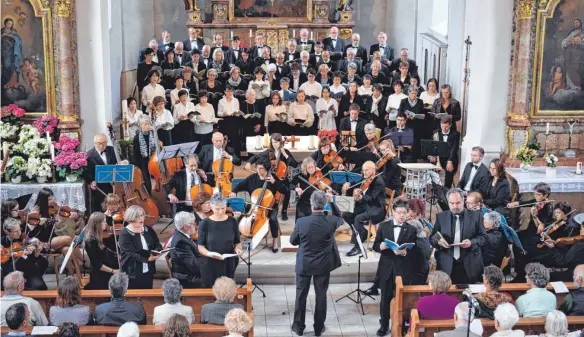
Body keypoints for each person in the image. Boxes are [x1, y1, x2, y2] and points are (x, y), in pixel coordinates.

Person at [290, 190, 342, 337]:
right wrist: (332, 201)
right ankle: (318, 328)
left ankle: (299, 327)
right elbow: (339, 217)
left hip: (304, 264)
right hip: (323, 265)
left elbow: (293, 241)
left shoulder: (301, 222)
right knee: (321, 296)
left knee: (301, 295)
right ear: (324, 204)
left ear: (311, 204)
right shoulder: (331, 221)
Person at [373, 199, 419, 336]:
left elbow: (414, 250)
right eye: (399, 213)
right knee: (385, 298)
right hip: (386, 267)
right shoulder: (384, 226)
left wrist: (405, 252)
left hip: (403, 268)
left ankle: (402, 324)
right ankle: (384, 325)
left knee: (402, 299)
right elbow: (375, 245)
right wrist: (381, 246)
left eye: (404, 213)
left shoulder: (411, 229)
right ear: (393, 212)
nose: (401, 216)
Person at [430, 188, 486, 284]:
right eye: (452, 203)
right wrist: (439, 241)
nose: (455, 206)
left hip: (469, 263)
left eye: (458, 203)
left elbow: (484, 238)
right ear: (448, 202)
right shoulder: (441, 217)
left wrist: (471, 242)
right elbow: (432, 238)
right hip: (446, 264)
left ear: (463, 201)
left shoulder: (477, 216)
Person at [236, 156, 287, 251]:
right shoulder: (252, 178)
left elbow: (285, 191)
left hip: (269, 206)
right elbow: (240, 185)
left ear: (267, 169)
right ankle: (237, 241)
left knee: (272, 218)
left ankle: (275, 240)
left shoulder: (273, 178)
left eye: (261, 168)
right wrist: (233, 191)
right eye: (257, 168)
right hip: (254, 205)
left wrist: (275, 182)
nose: (258, 170)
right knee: (240, 217)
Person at [197, 193, 243, 288]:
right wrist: (209, 253)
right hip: (210, 263)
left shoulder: (232, 221)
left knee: (226, 289)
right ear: (211, 206)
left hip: (228, 262)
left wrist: (238, 249)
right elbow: (200, 246)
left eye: (223, 208)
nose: (221, 211)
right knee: (211, 291)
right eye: (217, 209)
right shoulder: (204, 223)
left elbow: (237, 242)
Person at [342, 161, 386, 257]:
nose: (364, 172)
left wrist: (361, 197)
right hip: (365, 205)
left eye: (367, 170)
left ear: (373, 170)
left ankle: (358, 247)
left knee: (358, 218)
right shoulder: (365, 177)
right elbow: (358, 183)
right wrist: (349, 183)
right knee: (346, 214)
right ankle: (363, 232)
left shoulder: (379, 181)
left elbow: (372, 198)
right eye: (363, 170)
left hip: (376, 208)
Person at [118, 205, 162, 289]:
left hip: (148, 270)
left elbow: (157, 243)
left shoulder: (148, 229)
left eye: (142, 215)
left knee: (147, 297)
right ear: (131, 218)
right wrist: (147, 259)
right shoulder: (125, 233)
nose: (142, 218)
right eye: (138, 216)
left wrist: (157, 251)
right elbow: (130, 253)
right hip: (132, 272)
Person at [1, 218, 47, 290]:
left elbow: (33, 259)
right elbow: (3, 261)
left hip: (28, 270)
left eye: (19, 229)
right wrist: (20, 254)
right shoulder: (2, 242)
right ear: (7, 232)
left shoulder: (23, 240)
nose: (19, 233)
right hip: (10, 273)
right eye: (16, 231)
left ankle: (28, 284)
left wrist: (36, 252)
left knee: (40, 287)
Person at [83, 212, 119, 290]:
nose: (105, 223)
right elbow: (96, 264)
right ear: (97, 224)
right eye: (103, 222)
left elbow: (107, 252)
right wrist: (113, 271)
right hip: (99, 277)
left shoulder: (99, 238)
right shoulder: (90, 241)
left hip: (106, 273)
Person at [86, 133, 120, 212]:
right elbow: (88, 173)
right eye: (99, 144)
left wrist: (125, 161)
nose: (101, 146)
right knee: (102, 207)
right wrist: (91, 182)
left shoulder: (112, 150)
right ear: (94, 143)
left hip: (115, 184)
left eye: (104, 143)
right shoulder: (89, 155)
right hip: (100, 186)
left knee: (117, 205)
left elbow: (122, 159)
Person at [168, 212, 202, 288]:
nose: (195, 226)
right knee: (216, 278)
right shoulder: (180, 243)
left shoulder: (181, 234)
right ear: (186, 227)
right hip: (187, 279)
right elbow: (195, 267)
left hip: (189, 272)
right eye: (193, 223)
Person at [429, 116, 461, 188]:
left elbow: (454, 149)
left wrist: (450, 161)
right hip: (439, 158)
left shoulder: (456, 134)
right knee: (430, 167)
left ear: (450, 125)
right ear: (440, 124)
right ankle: (435, 188)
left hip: (451, 159)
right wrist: (432, 156)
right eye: (442, 126)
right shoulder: (436, 133)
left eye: (446, 127)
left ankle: (446, 190)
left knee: (449, 170)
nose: (444, 128)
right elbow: (432, 147)